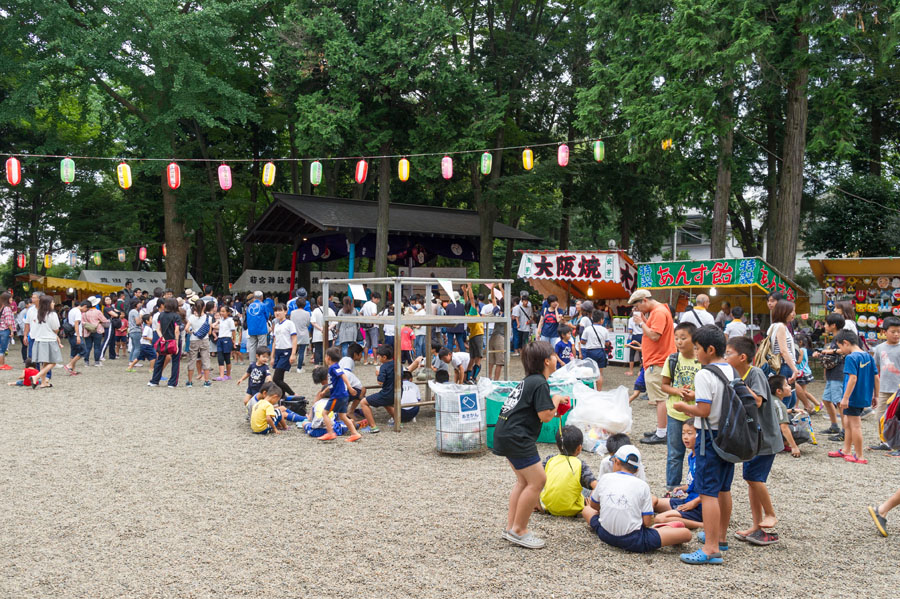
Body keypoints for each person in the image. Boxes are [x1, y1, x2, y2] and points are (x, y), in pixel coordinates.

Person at [493, 340, 569, 549]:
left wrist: (553, 399)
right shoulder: (540, 383)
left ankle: (512, 528)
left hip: (506, 433)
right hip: (517, 437)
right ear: (547, 361)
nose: (556, 358)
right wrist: (555, 399)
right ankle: (519, 530)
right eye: (554, 355)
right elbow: (545, 416)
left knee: (523, 481)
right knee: (537, 480)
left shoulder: (529, 381)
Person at [673, 325, 737, 565]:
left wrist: (683, 406)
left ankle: (710, 549)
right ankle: (720, 538)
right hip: (729, 437)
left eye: (698, 348)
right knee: (723, 488)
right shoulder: (730, 369)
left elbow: (704, 410)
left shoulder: (704, 373)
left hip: (709, 437)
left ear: (710, 349)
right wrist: (694, 398)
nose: (696, 352)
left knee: (708, 492)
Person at [582, 444, 692, 553]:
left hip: (605, 534)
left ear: (617, 461)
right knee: (686, 534)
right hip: (634, 540)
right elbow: (647, 522)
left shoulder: (606, 478)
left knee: (586, 510)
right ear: (637, 469)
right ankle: (662, 528)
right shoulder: (642, 485)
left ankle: (663, 528)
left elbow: (594, 506)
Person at [726, 335, 782, 545]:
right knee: (751, 480)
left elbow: (757, 401)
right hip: (751, 438)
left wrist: (739, 384)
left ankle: (770, 514)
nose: (725, 357)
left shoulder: (755, 373)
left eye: (728, 353)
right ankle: (757, 525)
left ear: (742, 357)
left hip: (765, 438)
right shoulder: (734, 374)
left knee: (754, 477)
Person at [655, 321, 699, 492]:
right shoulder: (673, 359)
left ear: (694, 339)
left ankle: (695, 488)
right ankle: (671, 489)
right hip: (674, 412)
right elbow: (664, 385)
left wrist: (695, 395)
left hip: (696, 414)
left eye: (683, 338)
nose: (679, 342)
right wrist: (678, 390)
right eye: (677, 338)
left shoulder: (701, 360)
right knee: (674, 454)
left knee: (698, 452)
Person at [628, 289, 676, 446]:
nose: (638, 310)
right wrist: (644, 320)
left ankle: (662, 433)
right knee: (660, 397)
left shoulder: (658, 312)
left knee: (660, 398)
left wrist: (641, 323)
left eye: (637, 306)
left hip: (658, 361)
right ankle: (662, 429)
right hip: (658, 359)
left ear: (644, 301)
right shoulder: (660, 311)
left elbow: (655, 335)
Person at [828, 329, 876, 464]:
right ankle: (846, 450)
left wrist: (845, 398)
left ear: (846, 343)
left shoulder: (851, 357)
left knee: (855, 425)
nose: (840, 350)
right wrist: (875, 395)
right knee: (848, 422)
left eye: (840, 347)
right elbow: (876, 377)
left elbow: (853, 378)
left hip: (853, 397)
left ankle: (860, 456)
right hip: (864, 395)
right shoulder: (868, 356)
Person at [538, 425, 597, 517]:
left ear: (558, 445)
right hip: (573, 510)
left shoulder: (549, 459)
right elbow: (596, 486)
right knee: (589, 488)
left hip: (548, 506)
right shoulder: (580, 464)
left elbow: (536, 480)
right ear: (579, 448)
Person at [652, 422, 703, 529]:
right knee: (652, 502)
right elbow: (694, 483)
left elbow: (711, 488)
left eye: (690, 433)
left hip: (699, 506)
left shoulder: (703, 459)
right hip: (689, 500)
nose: (685, 437)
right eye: (683, 433)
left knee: (659, 519)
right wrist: (682, 488)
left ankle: (703, 525)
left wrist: (694, 503)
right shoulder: (691, 456)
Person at [318, 346, 362, 442]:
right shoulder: (334, 367)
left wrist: (350, 387)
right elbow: (332, 384)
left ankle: (330, 433)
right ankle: (355, 433)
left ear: (328, 357)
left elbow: (343, 375)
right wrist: (325, 391)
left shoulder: (334, 367)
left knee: (324, 413)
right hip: (343, 396)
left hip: (337, 396)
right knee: (342, 416)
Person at [814, 313, 846, 437]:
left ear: (833, 325)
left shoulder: (842, 337)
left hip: (838, 373)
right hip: (832, 373)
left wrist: (829, 351)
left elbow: (846, 350)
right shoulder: (835, 337)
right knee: (827, 400)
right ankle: (834, 426)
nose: (824, 326)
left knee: (839, 402)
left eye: (826, 324)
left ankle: (845, 431)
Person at [871, 317, 900, 450]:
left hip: (898, 390)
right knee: (880, 416)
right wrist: (874, 392)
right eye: (893, 331)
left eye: (899, 332)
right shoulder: (879, 349)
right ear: (884, 332)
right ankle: (885, 442)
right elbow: (875, 370)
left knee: (896, 417)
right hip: (883, 389)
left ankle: (897, 443)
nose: (896, 334)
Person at [767, 299, 800, 408]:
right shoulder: (780, 327)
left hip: (783, 366)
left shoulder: (774, 326)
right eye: (792, 311)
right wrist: (795, 369)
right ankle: (782, 424)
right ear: (784, 312)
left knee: (791, 398)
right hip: (784, 366)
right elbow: (784, 351)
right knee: (786, 401)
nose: (794, 314)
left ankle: (786, 423)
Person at [358, 344, 396, 432]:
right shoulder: (397, 364)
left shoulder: (384, 367)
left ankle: (373, 427)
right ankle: (398, 421)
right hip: (397, 393)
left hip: (387, 394)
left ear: (384, 357)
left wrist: (378, 374)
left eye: (379, 356)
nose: (378, 357)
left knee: (363, 402)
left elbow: (380, 382)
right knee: (386, 403)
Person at [29, 295, 62, 389]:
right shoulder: (52, 314)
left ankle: (43, 382)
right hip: (49, 340)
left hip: (39, 340)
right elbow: (56, 328)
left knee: (45, 362)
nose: (54, 303)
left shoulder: (37, 313)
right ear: (48, 304)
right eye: (52, 302)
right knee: (53, 362)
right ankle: (36, 377)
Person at [148, 298, 182, 388]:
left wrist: (161, 337)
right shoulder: (176, 316)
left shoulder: (161, 315)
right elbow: (177, 330)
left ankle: (154, 380)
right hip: (173, 340)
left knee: (160, 360)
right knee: (175, 362)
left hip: (164, 340)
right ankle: (172, 382)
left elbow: (157, 328)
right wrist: (177, 342)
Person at [269, 303, 298, 398]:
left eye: (280, 310)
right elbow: (274, 341)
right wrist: (272, 356)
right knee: (280, 378)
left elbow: (294, 339)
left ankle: (293, 394)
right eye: (276, 311)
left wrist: (293, 354)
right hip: (278, 351)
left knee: (276, 378)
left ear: (285, 312)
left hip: (286, 351)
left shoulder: (290, 324)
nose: (277, 313)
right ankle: (282, 397)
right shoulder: (276, 325)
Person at [185, 300, 212, 389]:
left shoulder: (192, 317)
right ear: (204, 307)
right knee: (206, 359)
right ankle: (206, 381)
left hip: (194, 340)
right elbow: (209, 331)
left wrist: (192, 332)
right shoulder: (208, 317)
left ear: (195, 307)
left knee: (192, 359)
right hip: (204, 340)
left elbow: (186, 328)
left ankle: (189, 381)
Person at [580, 309, 608, 390]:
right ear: (602, 319)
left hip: (590, 352)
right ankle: (598, 392)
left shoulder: (588, 329)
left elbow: (583, 341)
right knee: (599, 374)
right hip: (601, 352)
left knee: (589, 373)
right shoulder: (604, 330)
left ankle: (589, 390)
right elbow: (607, 343)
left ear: (592, 318)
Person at [81, 297, 109, 367]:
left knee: (88, 347)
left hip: (87, 331)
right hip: (97, 330)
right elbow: (105, 321)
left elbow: (82, 322)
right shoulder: (98, 312)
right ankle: (96, 362)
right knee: (97, 347)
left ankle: (86, 362)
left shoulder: (84, 313)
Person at [244, 291, 270, 365]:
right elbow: (267, 316)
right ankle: (262, 361)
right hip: (261, 328)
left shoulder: (249, 306)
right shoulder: (263, 305)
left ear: (254, 297)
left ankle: (252, 362)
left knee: (252, 346)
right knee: (262, 345)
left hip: (251, 329)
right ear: (262, 297)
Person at [63, 300, 88, 375]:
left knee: (73, 351)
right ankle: (69, 365)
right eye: (86, 309)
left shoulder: (72, 310)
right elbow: (76, 324)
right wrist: (78, 336)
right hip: (75, 334)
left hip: (70, 333)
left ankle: (72, 370)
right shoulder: (77, 312)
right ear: (85, 306)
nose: (85, 311)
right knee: (84, 351)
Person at [310, 295, 335, 366]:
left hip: (318, 333)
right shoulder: (330, 310)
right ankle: (329, 364)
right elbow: (335, 321)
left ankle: (316, 365)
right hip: (328, 333)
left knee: (317, 350)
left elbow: (312, 322)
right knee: (328, 350)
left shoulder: (315, 311)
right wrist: (328, 328)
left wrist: (320, 328)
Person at [214, 305, 236, 381]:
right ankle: (221, 375)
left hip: (227, 338)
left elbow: (233, 331)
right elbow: (219, 327)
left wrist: (234, 341)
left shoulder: (230, 320)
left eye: (223, 311)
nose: (222, 313)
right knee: (220, 357)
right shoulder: (221, 320)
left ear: (228, 312)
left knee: (227, 358)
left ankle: (228, 375)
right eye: (221, 311)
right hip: (220, 339)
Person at [289, 298, 311, 373]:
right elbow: (308, 324)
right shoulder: (307, 313)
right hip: (304, 333)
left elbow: (291, 323)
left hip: (294, 333)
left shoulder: (292, 312)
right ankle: (299, 368)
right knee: (301, 352)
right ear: (305, 305)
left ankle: (288, 367)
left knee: (292, 351)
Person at [359, 292, 381, 365]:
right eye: (378, 300)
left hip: (366, 326)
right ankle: (375, 361)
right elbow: (373, 315)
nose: (378, 301)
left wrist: (364, 320)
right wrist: (377, 317)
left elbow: (360, 313)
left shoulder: (366, 304)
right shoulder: (373, 305)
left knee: (367, 344)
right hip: (373, 326)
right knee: (374, 345)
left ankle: (365, 360)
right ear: (375, 298)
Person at [126, 298, 144, 366]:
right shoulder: (135, 312)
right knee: (137, 347)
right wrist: (142, 319)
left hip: (131, 331)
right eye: (139, 303)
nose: (140, 304)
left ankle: (131, 360)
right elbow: (137, 322)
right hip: (136, 330)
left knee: (134, 347)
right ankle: (134, 361)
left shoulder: (131, 311)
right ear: (136, 304)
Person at [625, 308, 643, 376]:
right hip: (642, 336)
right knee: (641, 354)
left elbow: (630, 331)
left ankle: (631, 371)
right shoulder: (642, 318)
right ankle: (640, 371)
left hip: (634, 336)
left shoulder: (631, 319)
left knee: (632, 354)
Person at [0, 291, 15, 371]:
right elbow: (8, 322)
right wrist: (12, 331)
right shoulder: (7, 308)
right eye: (11, 298)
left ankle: (2, 364)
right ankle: (1, 364)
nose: (12, 300)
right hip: (5, 330)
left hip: (0, 329)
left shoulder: (1, 307)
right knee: (2, 349)